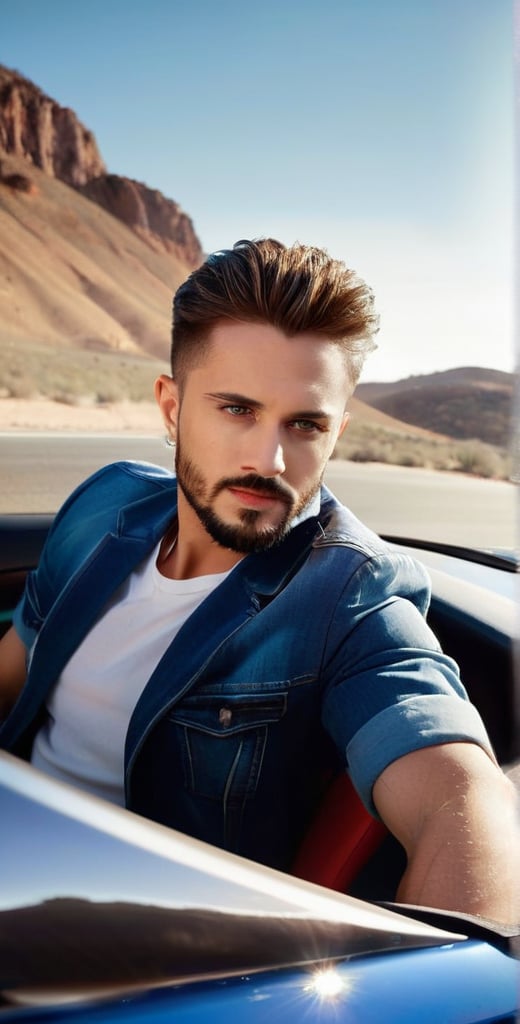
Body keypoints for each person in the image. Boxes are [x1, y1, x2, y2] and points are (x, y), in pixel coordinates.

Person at [0, 238, 518, 924]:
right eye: (236, 409)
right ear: (171, 408)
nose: (268, 459)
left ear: (337, 433)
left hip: (124, 943)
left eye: (304, 424)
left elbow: (459, 798)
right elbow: (15, 668)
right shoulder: (105, 506)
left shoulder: (351, 595)